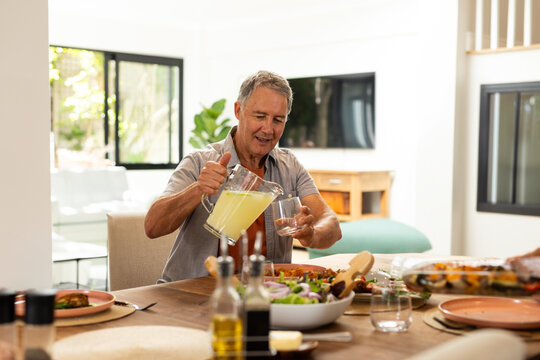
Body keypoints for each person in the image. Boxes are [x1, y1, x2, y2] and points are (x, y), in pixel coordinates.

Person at [144, 70, 342, 282]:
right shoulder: (199, 161)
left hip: (265, 293)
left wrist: (312, 234)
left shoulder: (289, 166)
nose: (268, 129)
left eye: (278, 120)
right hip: (193, 293)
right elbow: (153, 226)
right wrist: (198, 189)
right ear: (238, 110)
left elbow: (332, 225)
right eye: (259, 116)